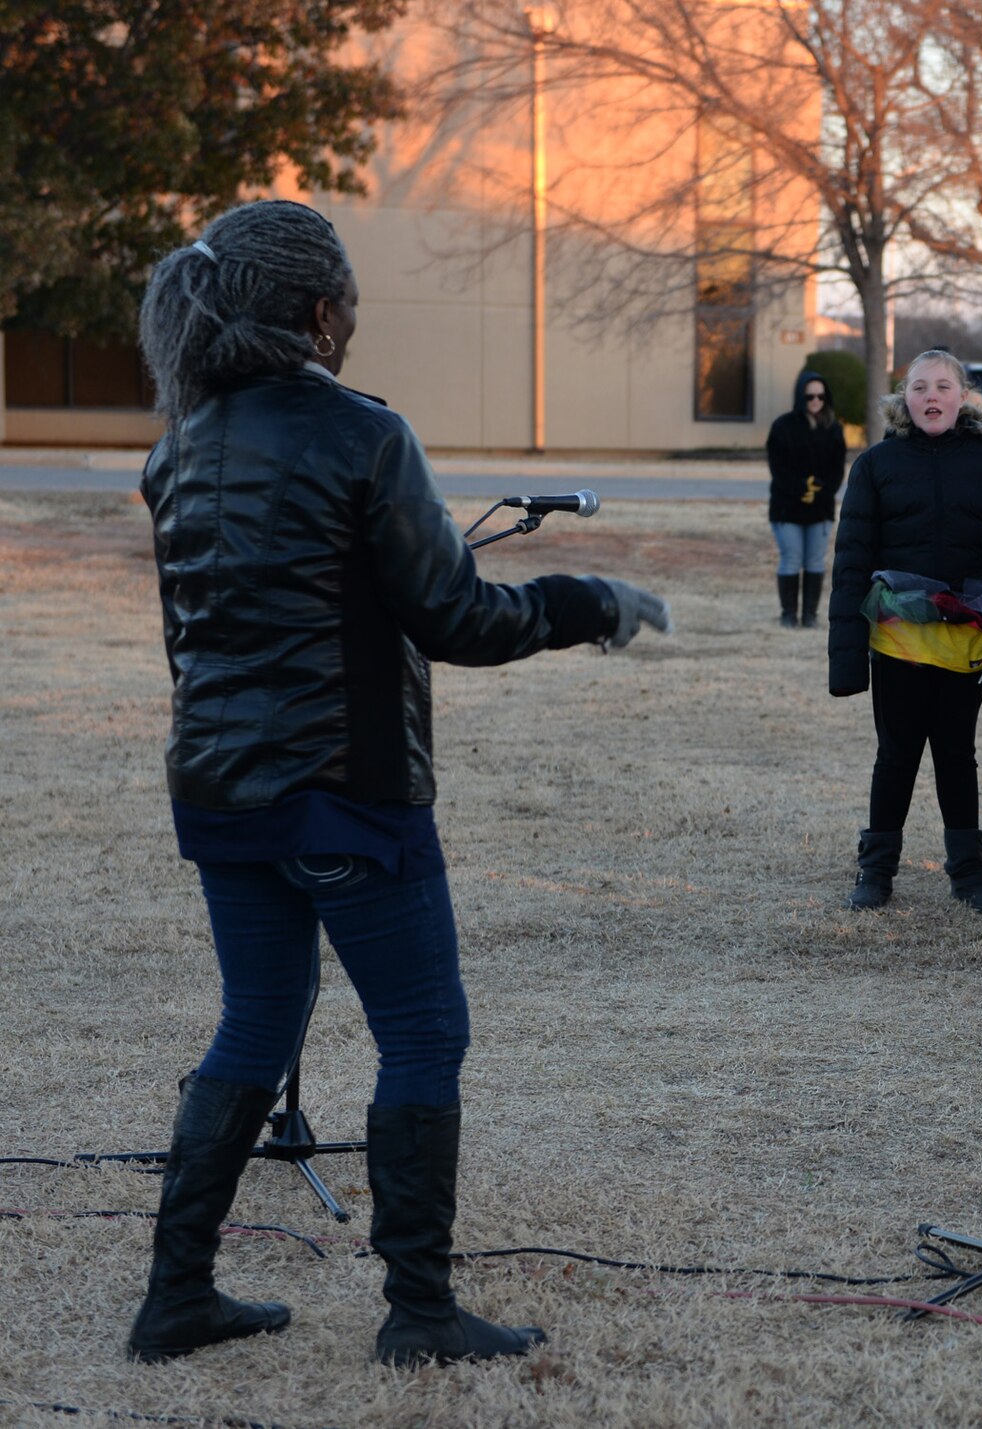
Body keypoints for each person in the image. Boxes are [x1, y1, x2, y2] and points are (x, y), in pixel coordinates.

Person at [127, 201, 669, 1368]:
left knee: (255, 1024)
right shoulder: (361, 433)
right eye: (349, 298)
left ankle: (176, 1297)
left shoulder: (179, 444)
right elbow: (456, 618)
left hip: (222, 794)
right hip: (347, 792)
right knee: (422, 1032)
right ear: (320, 311)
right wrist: (585, 605)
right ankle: (419, 1311)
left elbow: (209, 634)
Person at [828, 349, 982, 913]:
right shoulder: (876, 464)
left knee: (956, 752)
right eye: (920, 387)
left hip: (967, 635)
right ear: (904, 397)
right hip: (898, 636)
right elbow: (851, 562)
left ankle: (969, 874)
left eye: (944, 386)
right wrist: (844, 660)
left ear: (964, 395)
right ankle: (876, 870)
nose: (932, 397)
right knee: (895, 754)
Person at [765, 368, 847, 628]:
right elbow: (778, 469)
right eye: (810, 396)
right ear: (801, 397)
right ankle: (788, 614)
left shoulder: (834, 429)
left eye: (821, 397)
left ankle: (809, 616)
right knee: (791, 557)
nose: (815, 401)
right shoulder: (782, 427)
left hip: (820, 510)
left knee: (814, 559)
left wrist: (822, 491)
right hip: (787, 508)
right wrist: (801, 488)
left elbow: (837, 470)